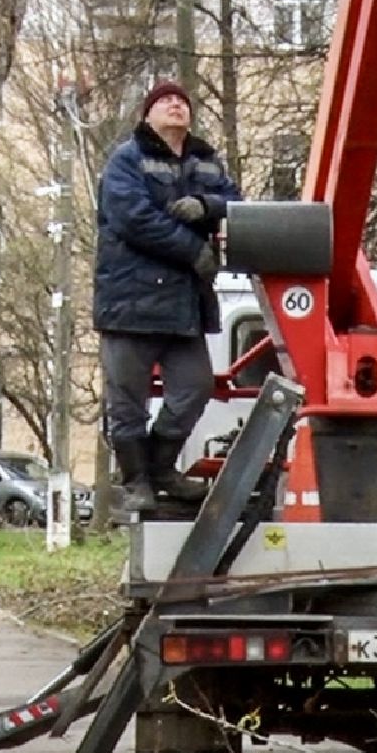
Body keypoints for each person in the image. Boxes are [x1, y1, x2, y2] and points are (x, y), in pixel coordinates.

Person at [93, 80, 243, 513]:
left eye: (182, 101)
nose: (176, 106)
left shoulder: (206, 160)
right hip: (129, 303)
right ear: (147, 115)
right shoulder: (127, 160)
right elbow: (134, 219)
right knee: (127, 399)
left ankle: (160, 468)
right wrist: (193, 249)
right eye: (165, 101)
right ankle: (136, 481)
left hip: (185, 303)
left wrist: (205, 204)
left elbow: (234, 199)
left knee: (194, 387)